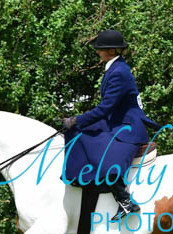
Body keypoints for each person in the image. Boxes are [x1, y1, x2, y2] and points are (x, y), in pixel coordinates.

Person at [61, 29, 161, 221]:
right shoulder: (115, 68)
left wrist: (77, 120)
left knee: (104, 157)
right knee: (79, 134)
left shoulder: (119, 72)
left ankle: (125, 200)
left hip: (128, 129)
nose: (98, 52)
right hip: (117, 122)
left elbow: (105, 108)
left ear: (112, 50)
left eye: (101, 49)